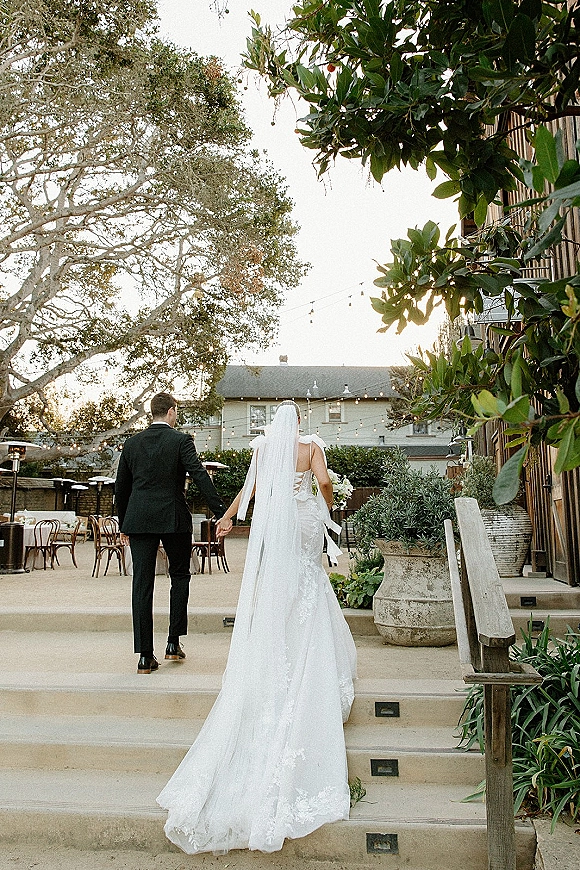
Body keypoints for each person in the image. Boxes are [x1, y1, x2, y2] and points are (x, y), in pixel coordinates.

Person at [157, 400, 357, 854]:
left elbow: (248, 492)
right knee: (309, 580)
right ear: (300, 423)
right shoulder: (311, 448)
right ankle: (306, 650)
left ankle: (277, 641)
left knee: (280, 583)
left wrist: (227, 519)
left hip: (276, 527)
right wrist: (329, 502)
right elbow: (324, 483)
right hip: (304, 520)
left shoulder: (264, 449)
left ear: (272, 424)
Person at [115, 392, 231, 674]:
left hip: (139, 518)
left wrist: (123, 524)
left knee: (141, 583)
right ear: (170, 412)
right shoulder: (181, 440)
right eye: (176, 412)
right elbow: (199, 474)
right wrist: (220, 511)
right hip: (173, 516)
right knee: (179, 575)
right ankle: (172, 642)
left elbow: (121, 488)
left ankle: (144, 656)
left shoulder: (131, 444)